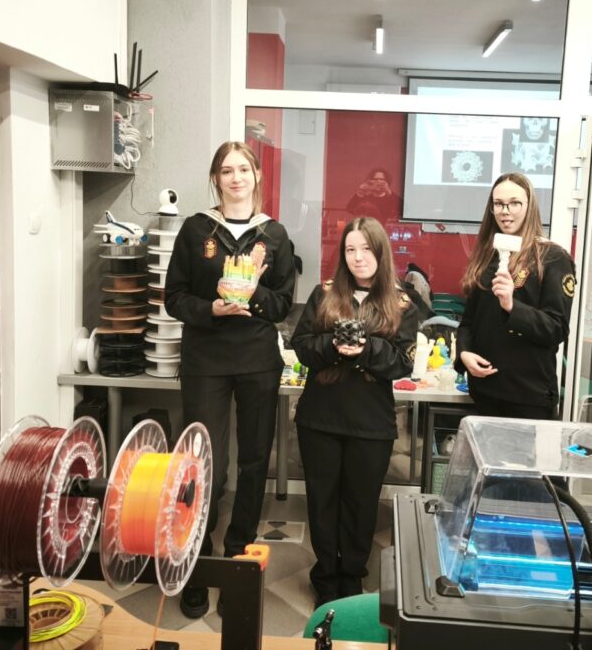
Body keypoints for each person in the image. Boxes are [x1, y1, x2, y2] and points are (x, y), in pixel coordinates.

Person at [164, 140, 296, 618]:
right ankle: (198, 561)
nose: (236, 178)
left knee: (255, 461)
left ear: (257, 175)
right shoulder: (196, 228)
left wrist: (253, 294)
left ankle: (239, 555)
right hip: (206, 359)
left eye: (243, 169)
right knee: (206, 465)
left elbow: (283, 304)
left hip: (258, 359)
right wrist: (212, 310)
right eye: (226, 170)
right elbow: (174, 297)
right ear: (215, 178)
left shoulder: (274, 234)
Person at [291, 216, 418, 607]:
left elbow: (403, 362)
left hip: (371, 422)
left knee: (361, 506)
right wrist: (333, 346)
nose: (358, 257)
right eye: (350, 249)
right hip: (320, 418)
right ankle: (326, 578)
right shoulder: (324, 294)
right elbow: (302, 345)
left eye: (366, 249)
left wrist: (365, 349)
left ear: (381, 252)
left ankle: (351, 577)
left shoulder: (402, 303)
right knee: (322, 502)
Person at [455, 172, 575, 419]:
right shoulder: (487, 257)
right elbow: (469, 322)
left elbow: (557, 329)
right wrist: (463, 353)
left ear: (529, 206)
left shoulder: (553, 258)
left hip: (528, 395)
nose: (505, 211)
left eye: (514, 203)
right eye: (498, 204)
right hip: (485, 391)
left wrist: (512, 306)